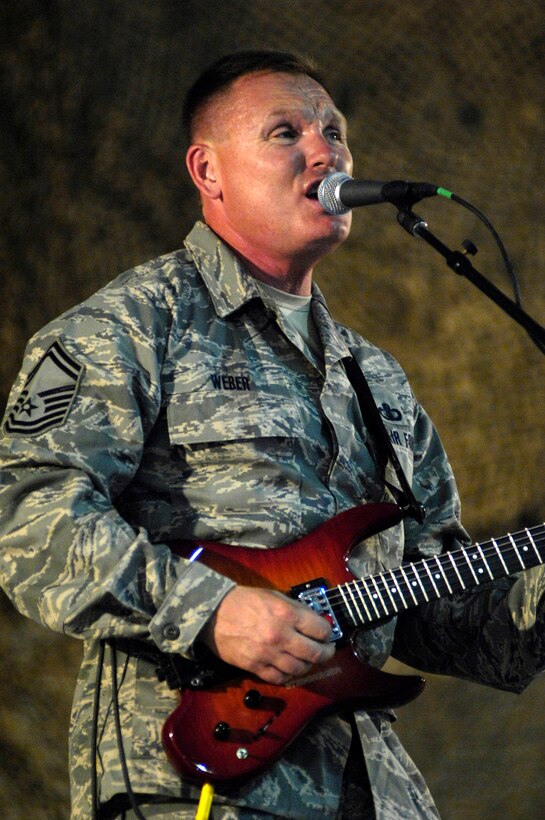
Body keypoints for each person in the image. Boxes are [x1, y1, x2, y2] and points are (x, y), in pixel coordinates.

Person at [1, 49, 544, 820]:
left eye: (334, 130)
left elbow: (452, 618)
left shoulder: (374, 376)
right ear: (208, 169)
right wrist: (210, 610)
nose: (324, 150)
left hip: (373, 790)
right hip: (197, 781)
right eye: (285, 132)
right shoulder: (124, 328)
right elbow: (26, 520)